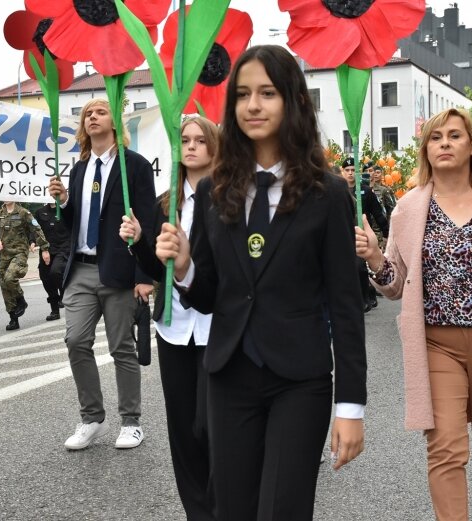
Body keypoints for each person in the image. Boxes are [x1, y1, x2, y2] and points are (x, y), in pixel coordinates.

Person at [155, 45, 367, 520]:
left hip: (300, 380)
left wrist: (351, 406)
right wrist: (186, 268)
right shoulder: (215, 190)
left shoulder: (327, 193)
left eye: (267, 93)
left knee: (283, 510)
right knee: (232, 508)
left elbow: (346, 306)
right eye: (244, 94)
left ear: (292, 100)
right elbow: (212, 295)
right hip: (228, 375)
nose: (253, 105)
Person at [356, 107, 472, 521]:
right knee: (445, 445)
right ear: (426, 150)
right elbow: (393, 285)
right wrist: (374, 256)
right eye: (436, 137)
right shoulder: (408, 209)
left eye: (455, 136)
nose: (445, 142)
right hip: (436, 343)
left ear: (471, 146)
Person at [119, 116, 218, 519]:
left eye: (200, 140)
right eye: (185, 140)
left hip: (217, 327)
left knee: (211, 426)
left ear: (215, 147)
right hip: (174, 327)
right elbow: (155, 266)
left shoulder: (231, 200)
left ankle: (224, 504)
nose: (191, 146)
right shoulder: (165, 203)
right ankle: (198, 511)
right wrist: (140, 241)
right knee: (183, 430)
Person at [47, 97, 155, 451]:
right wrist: (63, 203)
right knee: (76, 341)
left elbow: (147, 222)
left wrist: (144, 274)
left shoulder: (134, 166)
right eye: (87, 114)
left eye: (100, 112)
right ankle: (91, 417)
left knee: (122, 347)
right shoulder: (77, 170)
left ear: (114, 122)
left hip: (120, 270)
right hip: (80, 269)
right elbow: (71, 222)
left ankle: (131, 421)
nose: (92, 117)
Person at [0, 201, 50, 331]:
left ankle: (20, 298)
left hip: (20, 252)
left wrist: (44, 248)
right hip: (4, 254)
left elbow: (37, 229)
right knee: (4, 285)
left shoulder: (24, 213)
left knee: (10, 277)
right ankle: (13, 318)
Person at [341, 157, 388, 312]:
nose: (350, 173)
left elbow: (377, 213)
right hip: (342, 234)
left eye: (353, 170)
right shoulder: (337, 190)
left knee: (360, 266)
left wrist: (386, 233)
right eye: (347, 170)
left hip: (362, 233)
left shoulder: (366, 191)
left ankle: (366, 296)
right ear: (342, 172)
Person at [34, 202, 70, 321]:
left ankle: (64, 295)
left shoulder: (66, 209)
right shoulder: (40, 212)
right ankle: (55, 310)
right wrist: (32, 242)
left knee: (56, 271)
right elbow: (35, 230)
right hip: (47, 249)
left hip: (63, 248)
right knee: (46, 278)